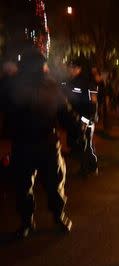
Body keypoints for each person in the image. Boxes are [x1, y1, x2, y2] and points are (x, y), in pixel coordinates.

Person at [1, 47, 82, 238]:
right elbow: (66, 113)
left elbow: (64, 111)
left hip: (29, 143)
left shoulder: (15, 85)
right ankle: (54, 216)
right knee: (51, 183)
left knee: (25, 185)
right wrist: (77, 129)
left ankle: (29, 221)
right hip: (41, 143)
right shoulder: (41, 85)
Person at [63, 58, 99, 175]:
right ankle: (85, 165)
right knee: (79, 144)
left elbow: (93, 103)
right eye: (69, 68)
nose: (70, 70)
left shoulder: (87, 82)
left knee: (87, 144)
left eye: (72, 68)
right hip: (75, 118)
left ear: (79, 69)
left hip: (86, 119)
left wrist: (87, 120)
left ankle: (91, 166)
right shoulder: (69, 82)